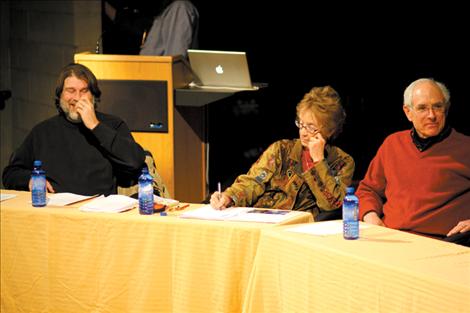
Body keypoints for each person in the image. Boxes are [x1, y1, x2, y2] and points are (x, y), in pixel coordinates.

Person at [210, 86, 355, 220]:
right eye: (301, 124)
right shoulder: (281, 150)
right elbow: (253, 181)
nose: (303, 132)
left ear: (329, 129)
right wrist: (229, 197)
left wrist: (318, 161)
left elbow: (332, 205)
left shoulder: (342, 161)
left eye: (311, 127)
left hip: (302, 227)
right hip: (265, 218)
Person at [2, 63, 146, 196]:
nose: (77, 98)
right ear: (60, 96)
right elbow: (10, 174)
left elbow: (135, 162)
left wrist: (95, 126)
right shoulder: (43, 131)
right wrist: (29, 179)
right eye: (71, 91)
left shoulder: (112, 125)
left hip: (100, 213)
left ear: (93, 96)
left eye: (84, 91)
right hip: (55, 213)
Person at [356, 78, 470, 244]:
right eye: (422, 108)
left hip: (443, 243)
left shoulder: (465, 147)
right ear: (408, 112)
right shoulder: (392, 144)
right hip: (391, 238)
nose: (432, 115)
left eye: (437, 106)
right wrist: (371, 218)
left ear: (445, 109)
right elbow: (368, 190)